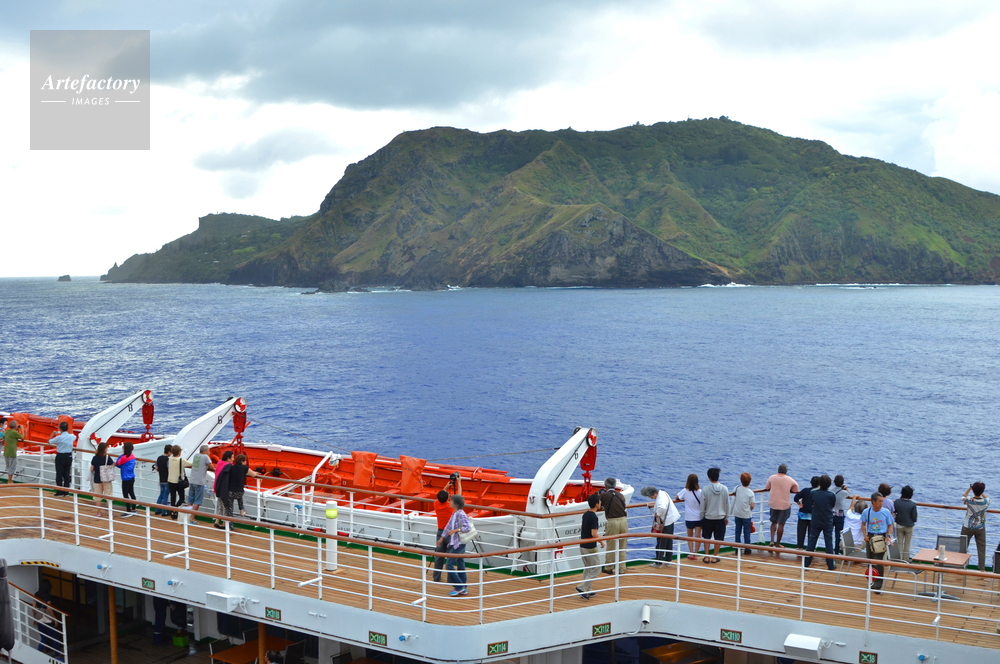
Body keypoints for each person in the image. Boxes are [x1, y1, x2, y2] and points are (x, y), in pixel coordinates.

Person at [862, 492, 894, 592]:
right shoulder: (866, 512)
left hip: (881, 537)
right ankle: (871, 581)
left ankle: (878, 584)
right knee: (870, 560)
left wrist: (888, 536)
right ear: (873, 502)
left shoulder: (886, 512)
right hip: (871, 536)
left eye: (882, 501)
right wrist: (865, 535)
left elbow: (890, 525)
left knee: (878, 561)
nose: (881, 503)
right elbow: (863, 524)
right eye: (879, 501)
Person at [441, 493, 472, 597]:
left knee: (449, 565)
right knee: (460, 565)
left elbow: (468, 528)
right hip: (457, 543)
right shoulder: (455, 513)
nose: (449, 502)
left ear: (455, 503)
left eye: (451, 501)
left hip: (458, 544)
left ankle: (459, 587)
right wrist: (442, 538)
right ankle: (463, 588)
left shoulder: (460, 514)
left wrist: (456, 530)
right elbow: (448, 525)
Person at [640, 485, 679, 566]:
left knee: (661, 543)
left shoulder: (660, 499)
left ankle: (658, 562)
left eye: (651, 496)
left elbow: (662, 507)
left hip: (665, 523)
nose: (650, 498)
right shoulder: (663, 493)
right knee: (669, 542)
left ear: (654, 493)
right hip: (670, 520)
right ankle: (668, 560)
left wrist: (657, 514)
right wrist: (655, 505)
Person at [764, 464, 799, 553]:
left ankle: (772, 540)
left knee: (773, 522)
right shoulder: (790, 479)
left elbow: (767, 487)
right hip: (784, 505)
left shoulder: (772, 477)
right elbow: (796, 489)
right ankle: (778, 544)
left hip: (773, 503)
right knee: (781, 524)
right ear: (786, 471)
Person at [433, 474, 462, 583]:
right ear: (448, 499)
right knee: (450, 558)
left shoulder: (436, 504)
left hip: (440, 532)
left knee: (439, 556)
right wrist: (459, 483)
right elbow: (459, 497)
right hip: (450, 534)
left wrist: (445, 488)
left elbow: (439, 497)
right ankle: (451, 579)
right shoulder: (450, 507)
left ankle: (436, 578)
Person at [805, 475, 836, 570]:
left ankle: (806, 563)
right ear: (829, 484)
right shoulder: (831, 495)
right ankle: (830, 565)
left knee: (812, 541)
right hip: (827, 521)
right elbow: (832, 504)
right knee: (829, 543)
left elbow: (812, 501)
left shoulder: (813, 493)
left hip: (816, 520)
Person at [699, 467, 730, 563]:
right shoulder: (725, 489)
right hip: (720, 517)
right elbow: (727, 504)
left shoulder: (705, 489)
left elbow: (702, 505)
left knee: (707, 538)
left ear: (709, 477)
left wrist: (702, 516)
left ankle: (707, 556)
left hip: (708, 517)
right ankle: (714, 557)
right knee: (718, 538)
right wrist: (727, 517)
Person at [575, 493, 604, 598]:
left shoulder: (586, 514)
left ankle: (587, 588)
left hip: (582, 545)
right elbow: (594, 534)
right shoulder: (594, 517)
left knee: (588, 567)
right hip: (590, 547)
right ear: (597, 504)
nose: (601, 504)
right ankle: (582, 587)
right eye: (600, 502)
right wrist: (601, 541)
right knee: (597, 568)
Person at [600, 477, 629, 574]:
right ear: (615, 486)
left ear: (605, 486)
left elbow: (599, 505)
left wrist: (600, 494)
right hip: (624, 521)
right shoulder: (621, 495)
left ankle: (608, 568)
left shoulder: (605, 496)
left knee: (611, 546)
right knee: (622, 547)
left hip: (613, 522)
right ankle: (622, 569)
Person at [225, 454, 260, 529]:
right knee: (239, 497)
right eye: (245, 461)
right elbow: (253, 475)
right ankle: (241, 510)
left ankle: (230, 527)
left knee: (229, 510)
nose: (245, 463)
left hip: (230, 491)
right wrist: (256, 473)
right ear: (242, 461)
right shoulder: (245, 468)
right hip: (239, 491)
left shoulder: (231, 467)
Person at [961, 481, 990, 571]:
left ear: (973, 491)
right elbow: (987, 498)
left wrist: (970, 488)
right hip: (980, 528)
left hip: (967, 527)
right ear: (982, 491)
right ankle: (982, 569)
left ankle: (960, 566)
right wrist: (981, 493)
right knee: (981, 549)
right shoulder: (986, 502)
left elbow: (962, 498)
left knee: (963, 547)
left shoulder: (970, 500)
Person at [676, 474, 704, 560]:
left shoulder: (685, 491)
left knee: (690, 536)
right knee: (698, 536)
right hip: (699, 517)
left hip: (689, 517)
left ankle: (691, 553)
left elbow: (677, 497)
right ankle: (696, 553)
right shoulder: (700, 492)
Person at [186, 445, 215, 523]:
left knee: (190, 499)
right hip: (199, 482)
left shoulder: (196, 456)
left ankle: (187, 516)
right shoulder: (205, 457)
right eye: (208, 451)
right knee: (197, 501)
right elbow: (211, 467)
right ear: (204, 451)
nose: (209, 452)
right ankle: (192, 517)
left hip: (192, 480)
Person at [33, 579, 60, 658]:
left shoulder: (36, 594)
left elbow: (33, 607)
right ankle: (57, 656)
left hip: (39, 618)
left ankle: (38, 655)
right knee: (54, 638)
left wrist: (35, 618)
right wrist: (55, 619)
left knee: (43, 638)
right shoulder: (47, 596)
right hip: (47, 620)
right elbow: (49, 608)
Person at [49, 421, 75, 496]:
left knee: (59, 474)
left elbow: (50, 441)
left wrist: (53, 434)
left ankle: (59, 491)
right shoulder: (71, 436)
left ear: (60, 429)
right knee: (67, 473)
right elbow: (74, 436)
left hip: (60, 456)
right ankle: (66, 491)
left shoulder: (58, 437)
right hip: (69, 456)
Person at [166, 445, 193, 521]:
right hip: (178, 482)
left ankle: (172, 511)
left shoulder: (170, 459)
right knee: (181, 498)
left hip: (170, 480)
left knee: (173, 497)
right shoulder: (182, 460)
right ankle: (175, 509)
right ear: (179, 452)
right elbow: (191, 464)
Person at [90, 442, 115, 518]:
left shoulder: (94, 458)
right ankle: (110, 513)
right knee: (108, 496)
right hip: (106, 479)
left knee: (98, 498)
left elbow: (92, 469)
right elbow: (113, 464)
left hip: (97, 479)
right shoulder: (107, 457)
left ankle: (98, 512)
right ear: (104, 449)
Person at [731, 472, 755, 555]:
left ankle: (737, 549)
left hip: (737, 514)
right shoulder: (750, 493)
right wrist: (749, 509)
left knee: (738, 531)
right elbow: (752, 505)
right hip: (746, 515)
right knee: (747, 532)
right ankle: (747, 549)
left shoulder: (737, 489)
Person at [894, 485, 918, 561]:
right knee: (907, 544)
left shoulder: (897, 502)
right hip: (909, 526)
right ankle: (906, 559)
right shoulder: (912, 504)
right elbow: (914, 518)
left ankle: (899, 559)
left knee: (899, 543)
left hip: (899, 525)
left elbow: (894, 512)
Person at [795, 476, 819, 549]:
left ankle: (800, 547)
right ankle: (811, 548)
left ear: (811, 483)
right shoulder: (819, 493)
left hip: (803, 514)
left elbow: (796, 498)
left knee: (801, 532)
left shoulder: (805, 490)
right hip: (813, 515)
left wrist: (799, 504)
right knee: (812, 533)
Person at [213, 450, 235, 529]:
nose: (233, 459)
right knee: (226, 506)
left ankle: (217, 521)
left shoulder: (219, 463)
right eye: (232, 457)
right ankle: (224, 524)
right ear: (228, 458)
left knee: (219, 505)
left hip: (217, 487)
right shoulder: (229, 466)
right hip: (224, 489)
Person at [115, 442, 137, 516]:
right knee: (132, 493)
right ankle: (134, 508)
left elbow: (118, 463)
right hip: (131, 477)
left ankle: (128, 510)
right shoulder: (132, 456)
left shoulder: (124, 457)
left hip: (125, 478)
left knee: (125, 495)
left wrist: (120, 456)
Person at [832, 475, 850, 555]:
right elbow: (848, 494)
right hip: (840, 515)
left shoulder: (830, 490)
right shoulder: (844, 492)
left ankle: (829, 550)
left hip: (831, 514)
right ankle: (836, 551)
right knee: (838, 535)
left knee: (828, 533)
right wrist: (845, 488)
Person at [4, 416, 23, 484]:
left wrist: (16, 430)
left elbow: (13, 435)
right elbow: (22, 437)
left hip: (6, 452)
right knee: (12, 467)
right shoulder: (14, 433)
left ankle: (9, 480)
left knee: (8, 466)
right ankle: (10, 481)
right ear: (15, 426)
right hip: (12, 452)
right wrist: (22, 429)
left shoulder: (7, 431)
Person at [154, 443, 172, 516]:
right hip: (167, 480)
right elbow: (169, 469)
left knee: (161, 495)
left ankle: (157, 510)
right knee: (165, 496)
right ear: (169, 452)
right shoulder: (168, 459)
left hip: (161, 479)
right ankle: (164, 512)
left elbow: (156, 468)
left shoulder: (159, 458)